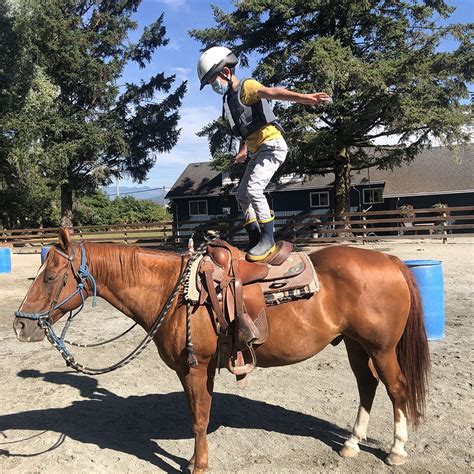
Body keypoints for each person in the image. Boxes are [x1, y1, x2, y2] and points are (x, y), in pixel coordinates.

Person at [197, 46, 330, 261]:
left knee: (253, 189)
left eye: (213, 81)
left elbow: (272, 92)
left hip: (272, 145)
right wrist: (242, 151)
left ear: (225, 72)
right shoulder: (229, 101)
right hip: (257, 150)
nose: (214, 86)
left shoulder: (246, 87)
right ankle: (255, 236)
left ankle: (268, 239)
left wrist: (304, 97)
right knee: (241, 194)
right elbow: (244, 129)